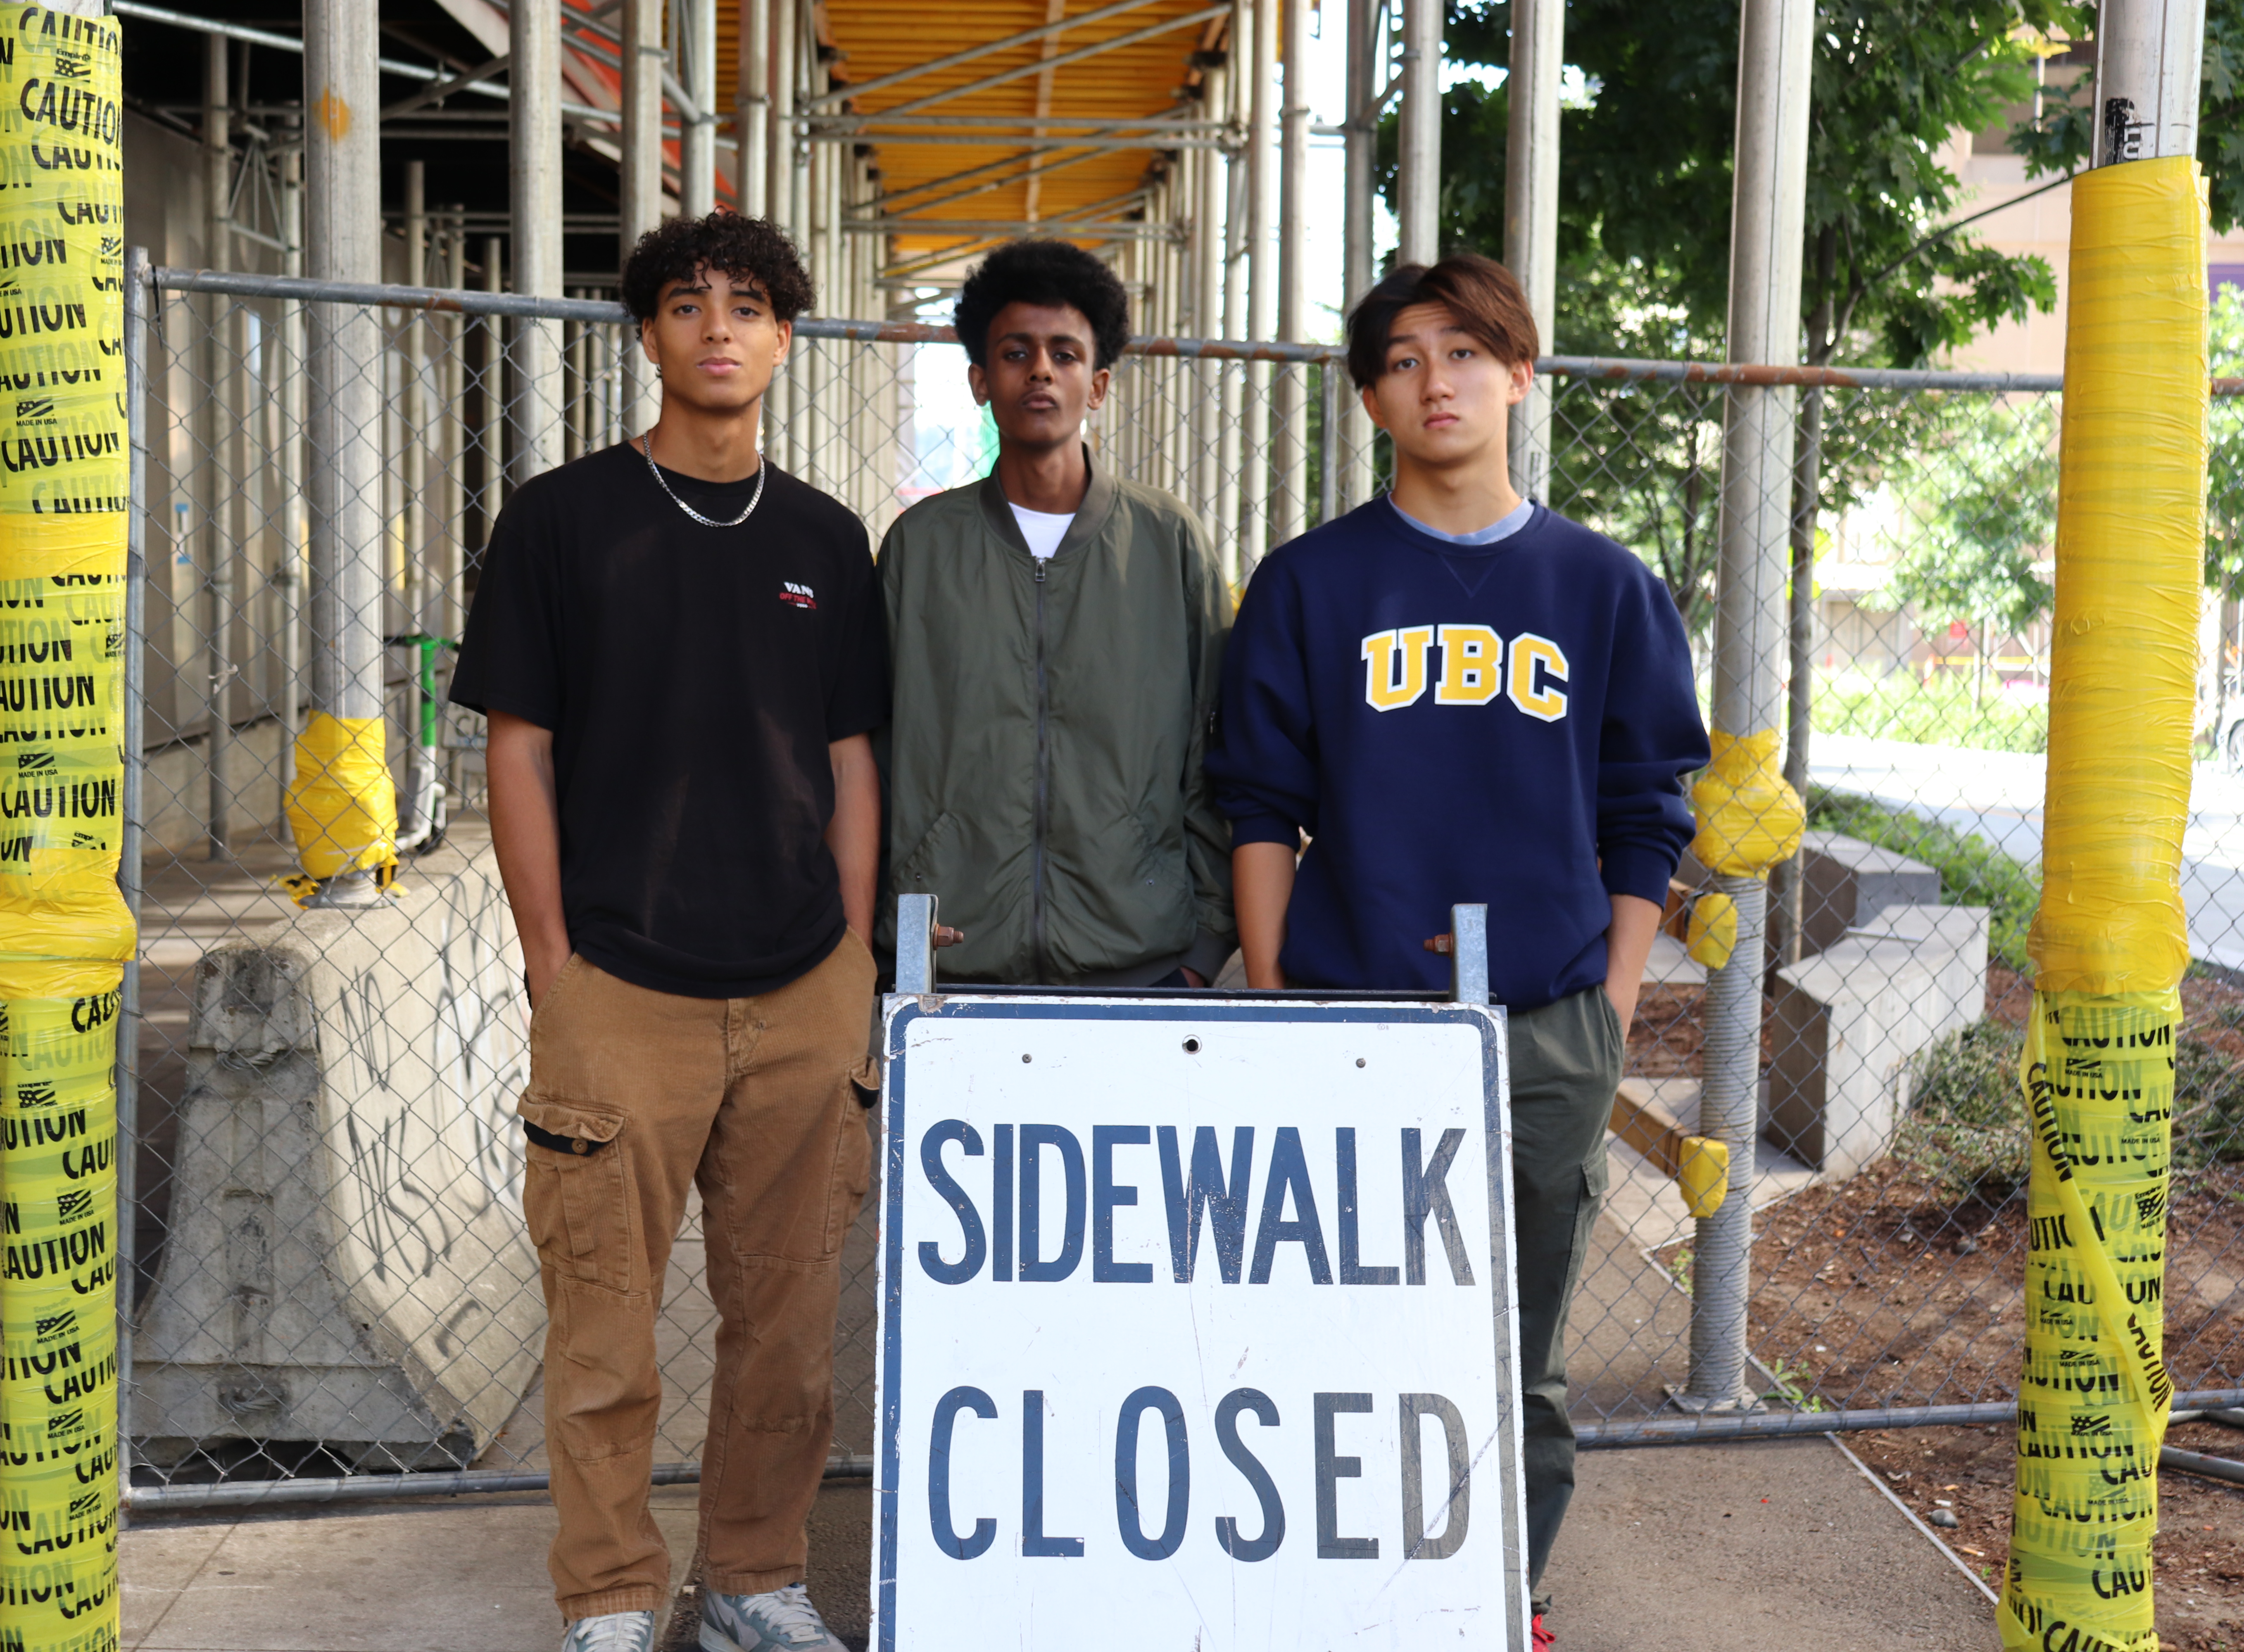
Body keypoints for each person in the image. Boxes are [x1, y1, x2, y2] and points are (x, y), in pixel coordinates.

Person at [1204, 253, 1709, 1651]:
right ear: (1371, 395)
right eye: (1409, 358)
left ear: (1520, 374)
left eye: (1468, 352)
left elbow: (1645, 809)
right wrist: (1270, 993)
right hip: (1350, 1011)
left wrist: (1607, 1002)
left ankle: (1501, 1594)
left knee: (1520, 1348)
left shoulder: (1602, 587)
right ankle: (1329, 1588)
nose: (1440, 381)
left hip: (1543, 1021)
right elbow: (1260, 804)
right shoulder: (1311, 584)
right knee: (1332, 1333)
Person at [450, 212, 883, 1652]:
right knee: (601, 1327)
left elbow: (853, 758)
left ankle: (754, 1576)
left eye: (749, 304)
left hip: (801, 989)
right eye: (687, 302)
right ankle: (614, 1596)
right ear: (646, 334)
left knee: (788, 1330)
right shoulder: (564, 520)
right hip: (619, 988)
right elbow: (518, 748)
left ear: (782, 338)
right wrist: (550, 961)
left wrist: (854, 955)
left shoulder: (827, 537)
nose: (717, 325)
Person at [877, 238, 1236, 987]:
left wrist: (1204, 947)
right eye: (1016, 352)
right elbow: (874, 747)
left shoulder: (1167, 542)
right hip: (949, 958)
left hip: (1144, 960)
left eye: (1066, 354)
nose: (1041, 369)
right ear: (980, 380)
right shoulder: (921, 546)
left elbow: (1216, 746)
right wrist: (892, 923)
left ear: (1098, 384)